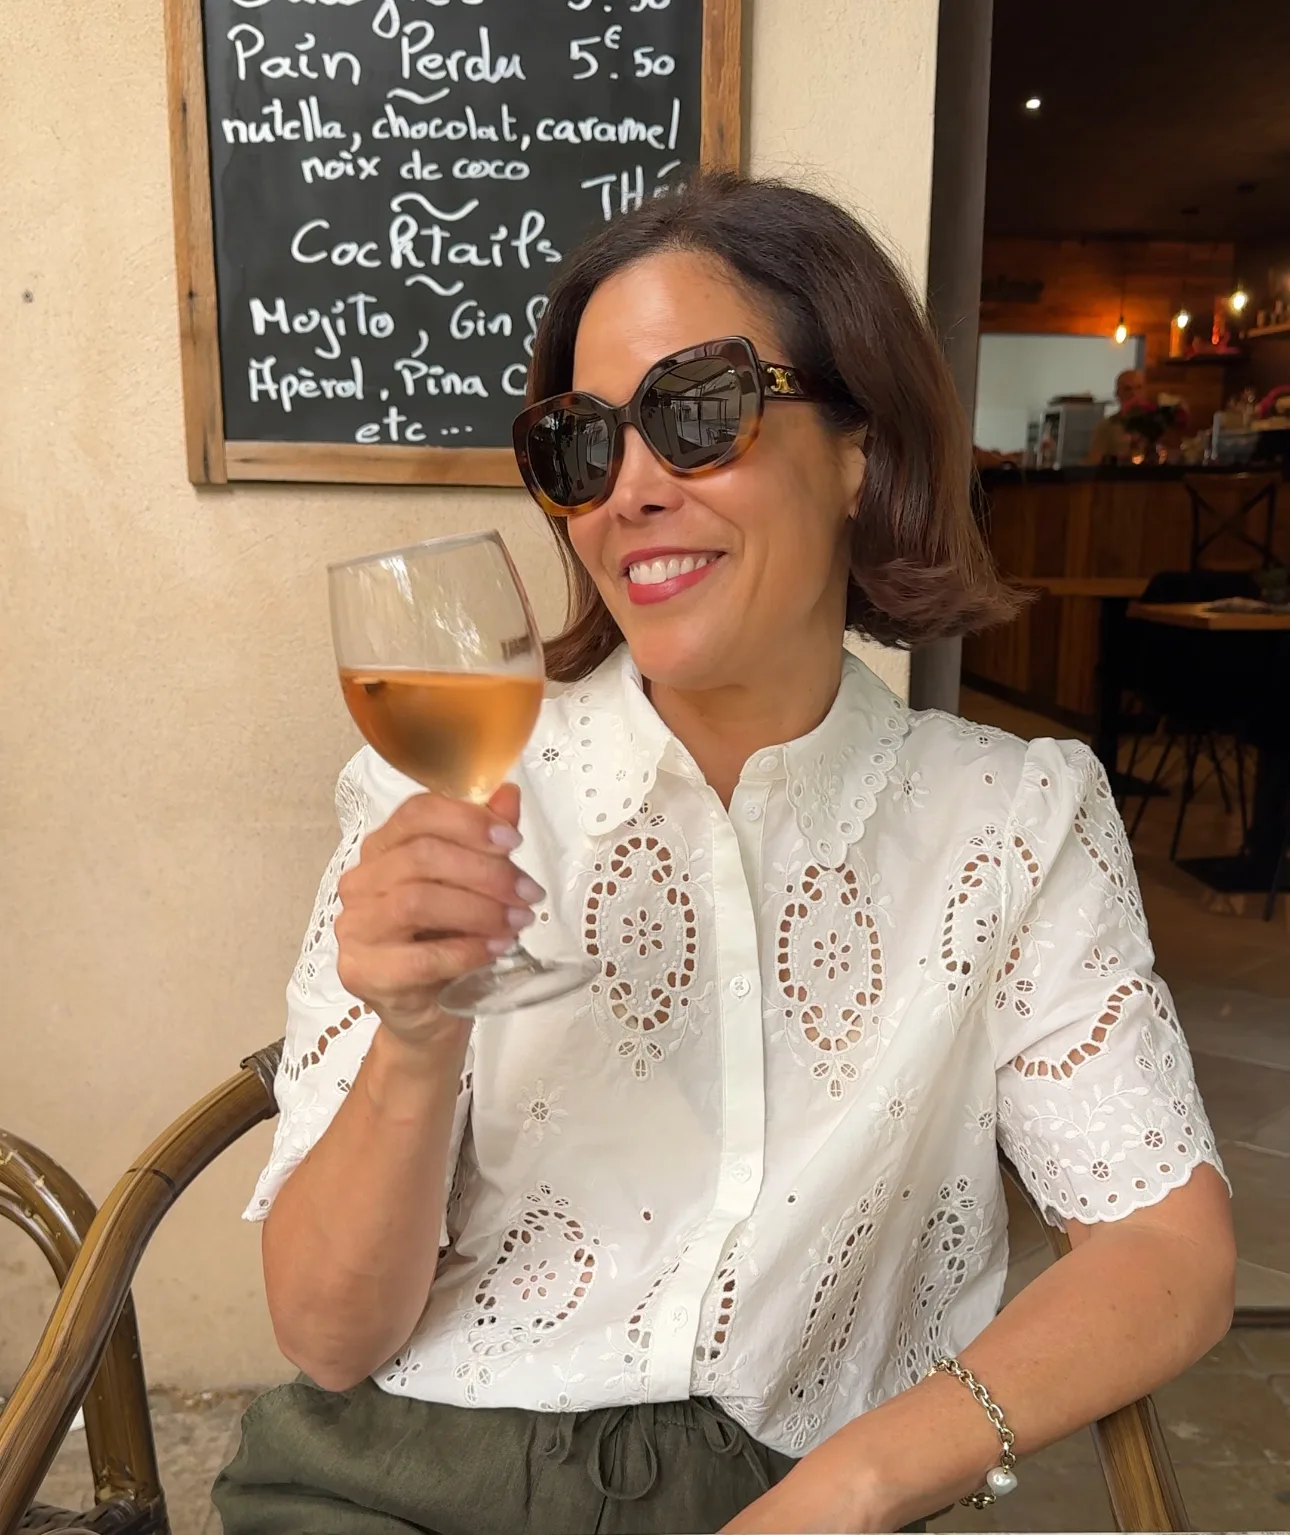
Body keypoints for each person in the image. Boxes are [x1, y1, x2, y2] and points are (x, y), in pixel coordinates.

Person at [214, 175, 1234, 1535]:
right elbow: (327, 1339)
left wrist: (863, 1478)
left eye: (698, 412)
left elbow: (1165, 1243)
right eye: (581, 446)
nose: (630, 489)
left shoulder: (1014, 818)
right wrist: (414, 1037)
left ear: (861, 446)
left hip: (787, 1482)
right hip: (398, 1481)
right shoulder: (444, 789)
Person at [1086, 368, 1147, 463]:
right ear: (1118, 394)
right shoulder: (1106, 426)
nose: (1134, 393)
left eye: (1139, 388)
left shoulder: (1158, 422)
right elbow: (1094, 462)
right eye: (1127, 389)